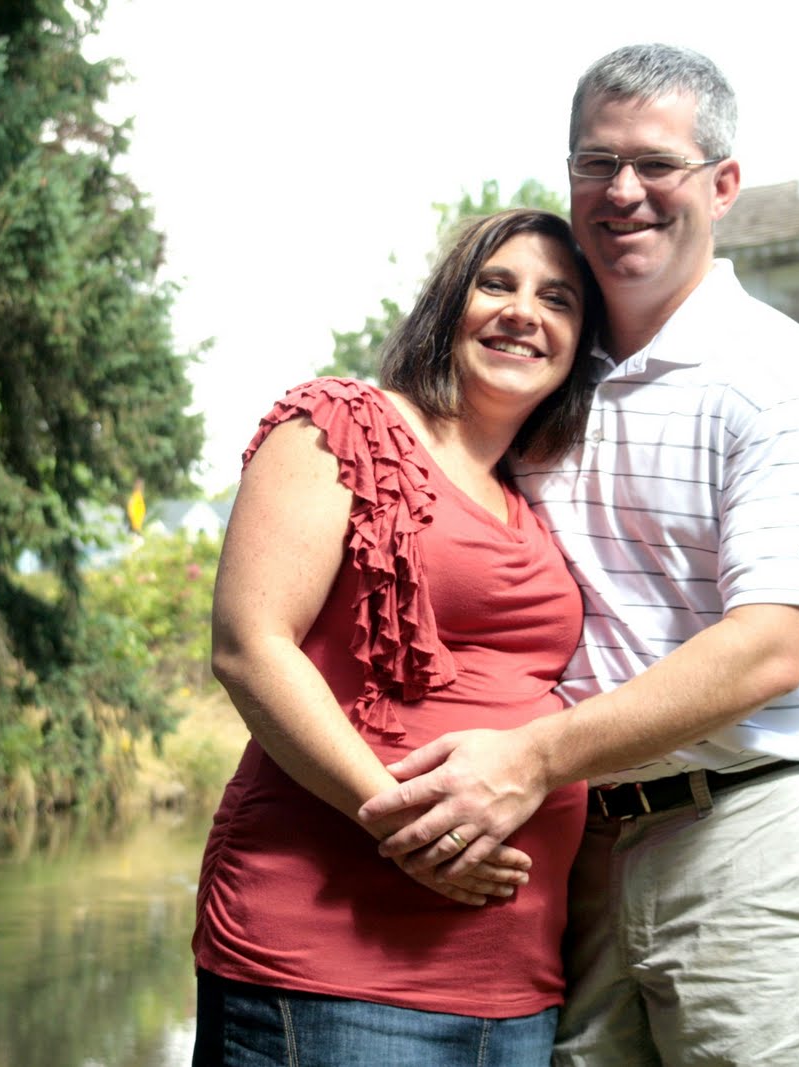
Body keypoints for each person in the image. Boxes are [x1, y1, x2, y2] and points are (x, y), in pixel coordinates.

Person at [359, 44, 799, 1066]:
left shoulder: (782, 377)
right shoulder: (541, 370)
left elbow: (769, 646)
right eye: (596, 163)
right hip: (570, 847)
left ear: (722, 185)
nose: (623, 191)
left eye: (657, 163)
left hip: (744, 838)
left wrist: (527, 758)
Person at [191, 208, 605, 1065]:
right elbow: (250, 645)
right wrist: (407, 827)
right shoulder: (343, 425)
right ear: (449, 305)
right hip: (329, 963)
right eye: (497, 284)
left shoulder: (529, 502)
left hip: (513, 985)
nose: (523, 311)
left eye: (557, 299)